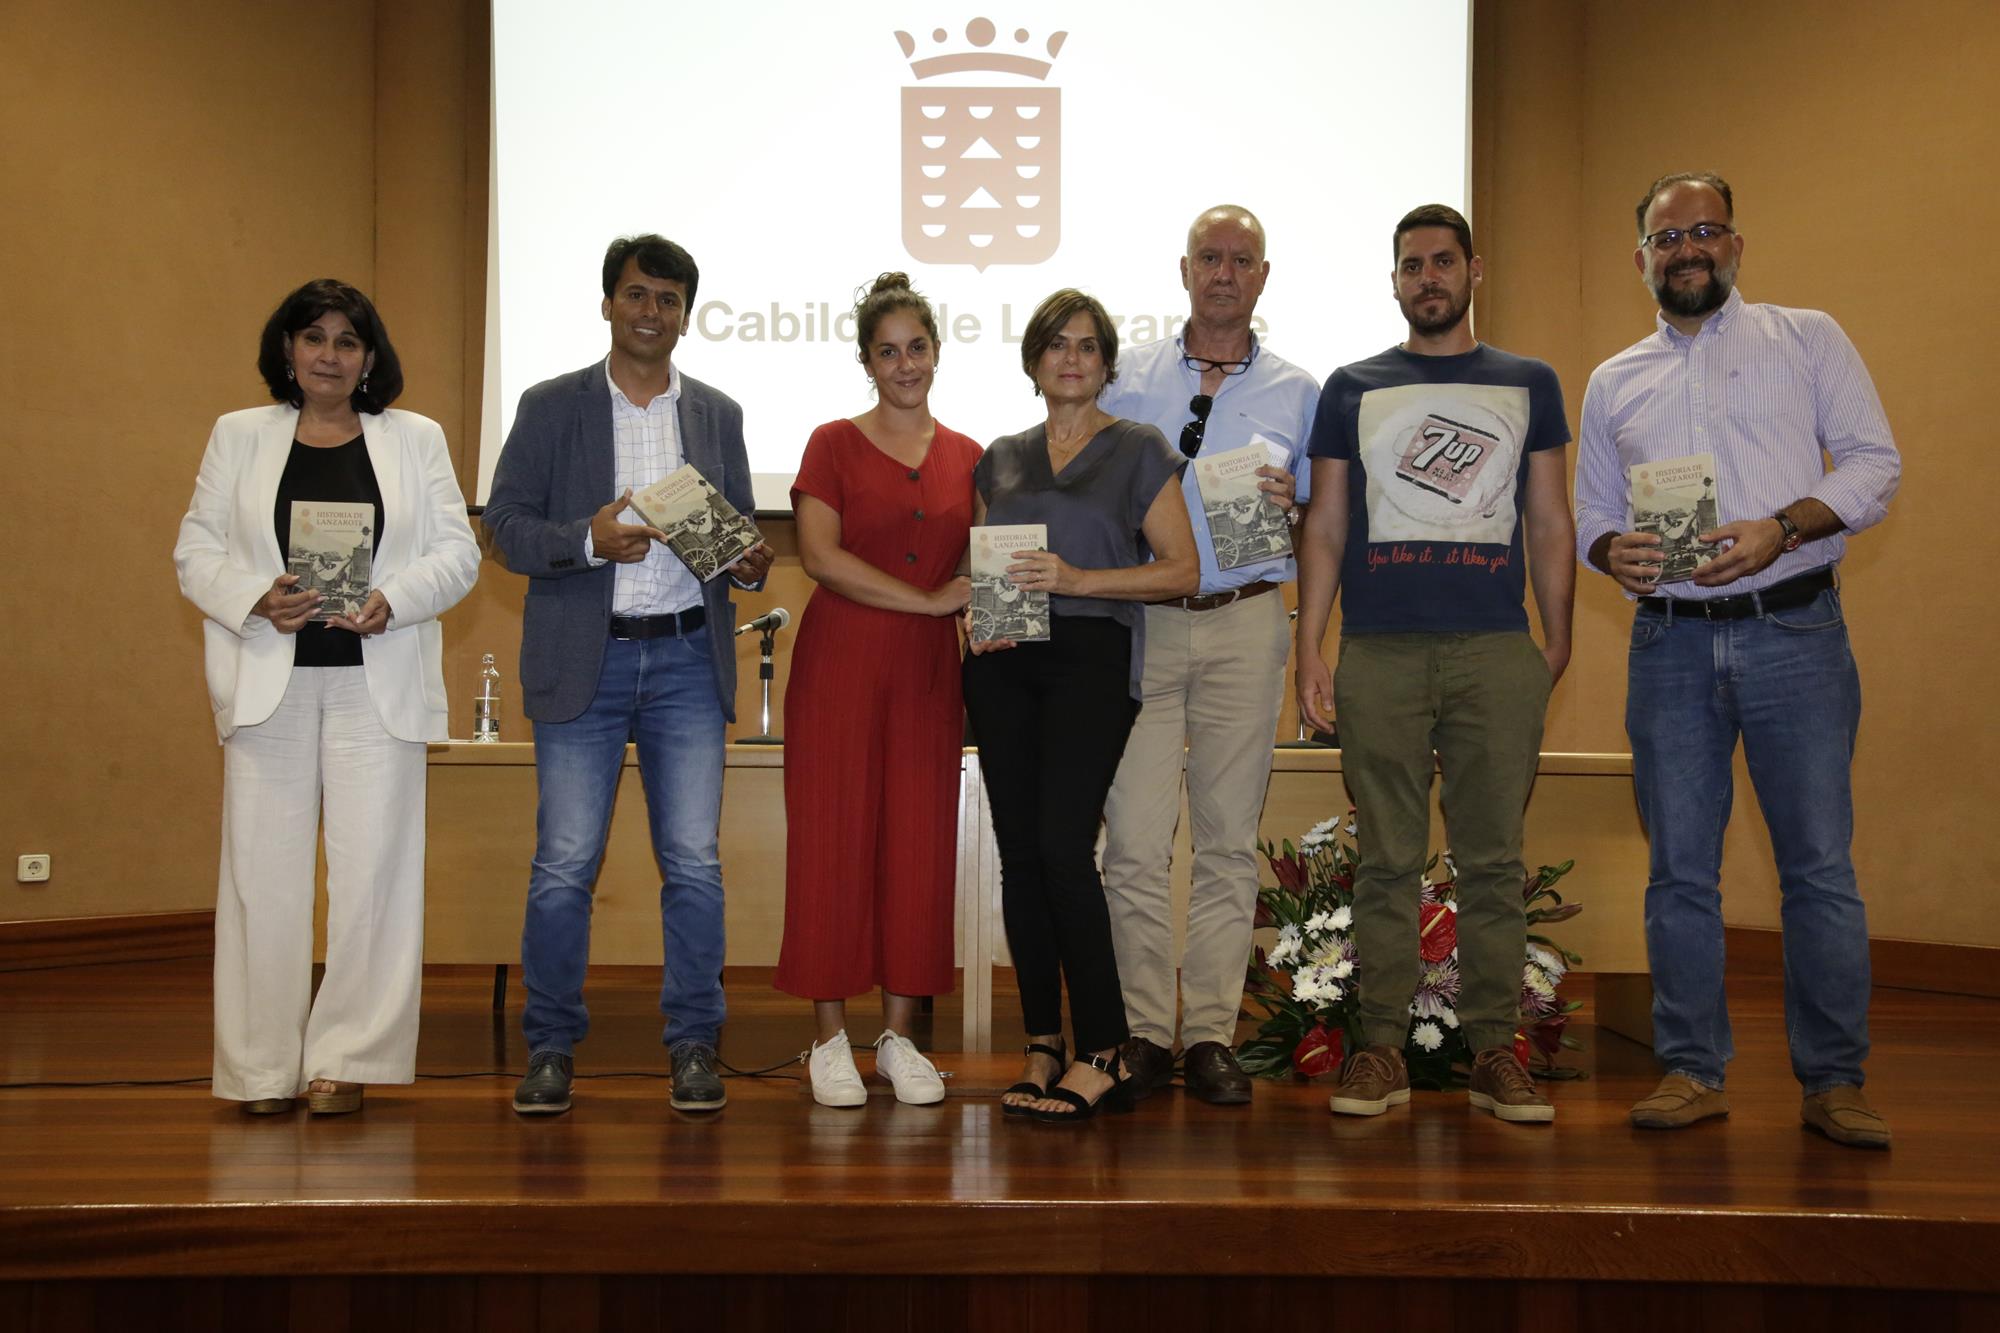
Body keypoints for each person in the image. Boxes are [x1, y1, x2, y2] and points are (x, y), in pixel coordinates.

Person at [1574, 172, 1901, 1148]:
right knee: (1677, 871)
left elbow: (1871, 465)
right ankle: (1689, 1068)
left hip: (1793, 630)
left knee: (1816, 870)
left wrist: (1782, 527)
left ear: (1734, 244)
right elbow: (1592, 511)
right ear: (1639, 259)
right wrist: (1607, 550)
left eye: (1702, 231)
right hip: (1666, 643)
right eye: (1664, 238)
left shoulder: (1808, 338)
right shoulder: (1610, 379)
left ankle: (1833, 1081)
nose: (1685, 249)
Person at [1295, 204, 1575, 1124]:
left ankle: (1497, 1051)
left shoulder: (1528, 381)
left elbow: (1548, 519)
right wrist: (1312, 642)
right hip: (1379, 650)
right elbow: (1327, 523)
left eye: (1443, 261)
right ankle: (1380, 1050)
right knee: (1385, 860)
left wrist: (1555, 641)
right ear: (1395, 281)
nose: (1428, 277)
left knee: (1493, 862)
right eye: (1411, 265)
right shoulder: (1353, 386)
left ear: (1472, 270)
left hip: (1495, 651)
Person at [484, 234, 774, 1117]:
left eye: (669, 299)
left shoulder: (718, 413)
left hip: (688, 655)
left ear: (687, 313)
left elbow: (734, 539)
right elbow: (503, 525)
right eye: (637, 295)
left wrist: (750, 563)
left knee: (693, 863)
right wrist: (587, 539)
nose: (652, 312)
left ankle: (693, 1041)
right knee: (564, 864)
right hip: (588, 658)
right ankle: (550, 1045)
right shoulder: (548, 405)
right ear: (607, 303)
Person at [174, 279, 479, 1116]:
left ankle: (347, 1057)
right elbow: (195, 551)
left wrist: (397, 599)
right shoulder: (238, 435)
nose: (330, 355)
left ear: (369, 357)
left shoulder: (415, 439)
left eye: (348, 342)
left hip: (372, 685)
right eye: (314, 338)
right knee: (260, 882)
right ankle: (260, 1068)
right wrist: (252, 598)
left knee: (371, 876)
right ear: (287, 351)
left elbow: (458, 554)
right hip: (269, 677)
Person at [1097, 205, 1320, 1105]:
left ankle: (1209, 1038)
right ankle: (1147, 1033)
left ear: (1263, 276)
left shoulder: (1303, 391)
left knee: (1228, 842)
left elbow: (1327, 520)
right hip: (1146, 619)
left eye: (1242, 260)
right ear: (1183, 271)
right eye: (1209, 258)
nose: (1224, 273)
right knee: (1136, 842)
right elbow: (1088, 487)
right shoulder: (1126, 378)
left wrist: (1296, 508)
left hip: (1246, 621)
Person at [963, 288, 1199, 1123]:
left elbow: (1182, 570)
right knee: (1020, 856)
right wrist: (977, 619)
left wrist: (1080, 579)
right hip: (1003, 664)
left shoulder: (1138, 447)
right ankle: (1042, 1042)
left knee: (1066, 848)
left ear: (1105, 365)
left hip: (1092, 660)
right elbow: (985, 562)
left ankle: (1103, 1045)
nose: (1072, 357)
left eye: (1089, 346)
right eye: (1057, 344)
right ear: (1033, 359)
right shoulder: (999, 456)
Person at [775, 273, 981, 1107]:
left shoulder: (971, 455)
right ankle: (827, 1039)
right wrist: (932, 599)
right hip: (841, 665)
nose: (905, 364)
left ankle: (897, 1036)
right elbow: (820, 556)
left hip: (930, 673)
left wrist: (974, 595)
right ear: (868, 359)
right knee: (832, 841)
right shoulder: (832, 441)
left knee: (920, 846)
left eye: (917, 348)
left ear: (937, 350)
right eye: (888, 351)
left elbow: (978, 566)